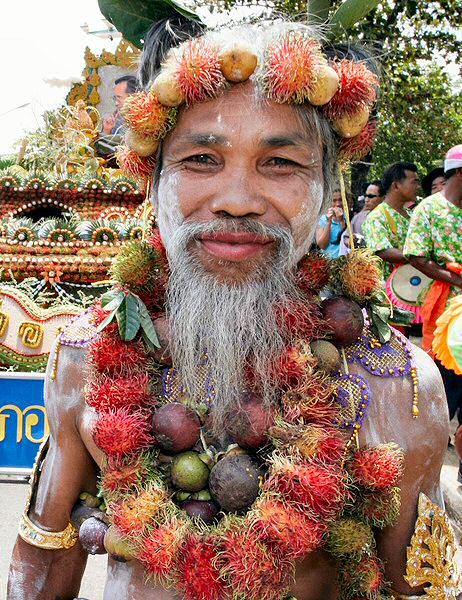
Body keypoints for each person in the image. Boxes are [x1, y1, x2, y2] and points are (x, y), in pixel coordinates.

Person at [8, 18, 458, 600]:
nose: (239, 201)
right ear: (153, 180)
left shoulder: (394, 381)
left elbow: (417, 592)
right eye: (200, 159)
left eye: (280, 163)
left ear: (327, 186)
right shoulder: (88, 354)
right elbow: (44, 560)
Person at [404, 144, 462, 484]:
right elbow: (415, 254)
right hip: (445, 321)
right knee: (441, 394)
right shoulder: (430, 209)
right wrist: (454, 277)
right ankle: (427, 470)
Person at [363, 162, 419, 281]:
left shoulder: (412, 215)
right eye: (414, 182)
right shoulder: (376, 217)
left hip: (414, 285)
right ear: (396, 185)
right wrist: (418, 256)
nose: (418, 187)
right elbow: (382, 252)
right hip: (390, 293)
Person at [339, 180, 382, 255]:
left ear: (383, 198)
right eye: (365, 196)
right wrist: (351, 241)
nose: (366, 200)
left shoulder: (388, 218)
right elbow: (346, 237)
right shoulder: (358, 217)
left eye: (371, 196)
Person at [315, 189, 346, 258]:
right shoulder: (322, 220)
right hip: (327, 262)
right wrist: (329, 222)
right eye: (334, 200)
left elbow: (346, 240)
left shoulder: (347, 218)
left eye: (340, 200)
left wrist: (341, 221)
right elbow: (322, 245)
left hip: (344, 262)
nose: (338, 204)